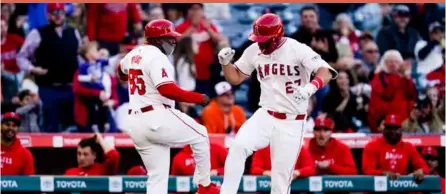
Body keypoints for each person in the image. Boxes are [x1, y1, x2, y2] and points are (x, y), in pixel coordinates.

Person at [217, 13, 337, 194]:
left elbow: (326, 72)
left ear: (277, 36)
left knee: (280, 181)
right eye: (258, 39)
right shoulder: (254, 50)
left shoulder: (296, 48)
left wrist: (310, 88)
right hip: (265, 114)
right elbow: (235, 77)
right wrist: (226, 64)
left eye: (264, 39)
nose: (260, 43)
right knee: (238, 146)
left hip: (292, 121)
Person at [117, 19, 219, 194]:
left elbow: (121, 72)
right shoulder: (157, 56)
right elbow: (166, 89)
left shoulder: (134, 54)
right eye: (168, 38)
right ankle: (205, 186)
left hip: (136, 123)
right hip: (156, 115)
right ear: (156, 40)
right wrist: (197, 97)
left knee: (157, 179)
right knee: (201, 134)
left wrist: (138, 77)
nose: (173, 41)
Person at [362, 114, 429, 182]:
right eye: (389, 128)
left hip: (401, 187)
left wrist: (420, 172)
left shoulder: (408, 147)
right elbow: (367, 170)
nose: (393, 132)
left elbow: (425, 168)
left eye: (396, 128)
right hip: (380, 186)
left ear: (401, 130)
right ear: (384, 130)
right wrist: (383, 173)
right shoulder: (372, 145)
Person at [250, 145, 316, 178]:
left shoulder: (298, 148)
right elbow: (254, 169)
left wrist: (297, 172)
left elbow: (311, 168)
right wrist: (266, 173)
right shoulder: (262, 149)